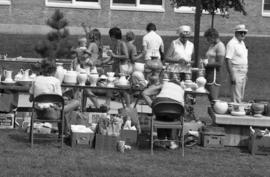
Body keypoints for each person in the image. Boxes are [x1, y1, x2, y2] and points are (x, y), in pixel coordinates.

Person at [29, 59, 80, 134]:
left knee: (62, 108)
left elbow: (31, 99)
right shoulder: (55, 81)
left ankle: (64, 132)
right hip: (52, 114)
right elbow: (59, 102)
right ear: (54, 70)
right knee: (76, 102)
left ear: (42, 69)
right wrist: (63, 101)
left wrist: (43, 99)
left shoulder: (35, 80)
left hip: (38, 113)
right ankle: (63, 133)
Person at [142, 81, 185, 149]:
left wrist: (152, 105)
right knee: (169, 116)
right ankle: (170, 140)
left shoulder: (165, 84)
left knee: (161, 116)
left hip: (160, 105)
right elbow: (183, 106)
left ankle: (161, 140)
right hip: (176, 109)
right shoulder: (182, 89)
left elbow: (146, 92)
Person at [225, 24, 248, 103]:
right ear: (236, 33)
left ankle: (238, 110)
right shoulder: (231, 44)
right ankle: (236, 112)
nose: (243, 34)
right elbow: (228, 59)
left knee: (241, 95)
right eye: (241, 32)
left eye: (244, 33)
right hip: (236, 71)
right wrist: (232, 75)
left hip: (243, 71)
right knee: (236, 95)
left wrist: (245, 72)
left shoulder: (242, 43)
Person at [203, 28, 226, 105]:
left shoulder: (220, 46)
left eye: (208, 38)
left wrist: (206, 64)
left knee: (213, 97)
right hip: (208, 72)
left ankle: (214, 112)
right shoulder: (212, 45)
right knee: (208, 96)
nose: (207, 40)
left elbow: (220, 63)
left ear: (213, 36)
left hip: (214, 74)